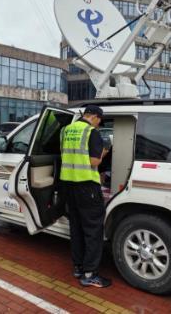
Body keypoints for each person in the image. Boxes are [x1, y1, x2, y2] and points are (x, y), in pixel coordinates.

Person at [60, 105, 111, 288]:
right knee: (92, 230)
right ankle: (90, 274)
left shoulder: (66, 130)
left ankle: (78, 267)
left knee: (77, 228)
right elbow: (94, 162)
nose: (99, 124)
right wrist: (104, 151)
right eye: (100, 121)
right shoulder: (92, 133)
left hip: (69, 185)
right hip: (87, 186)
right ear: (95, 117)